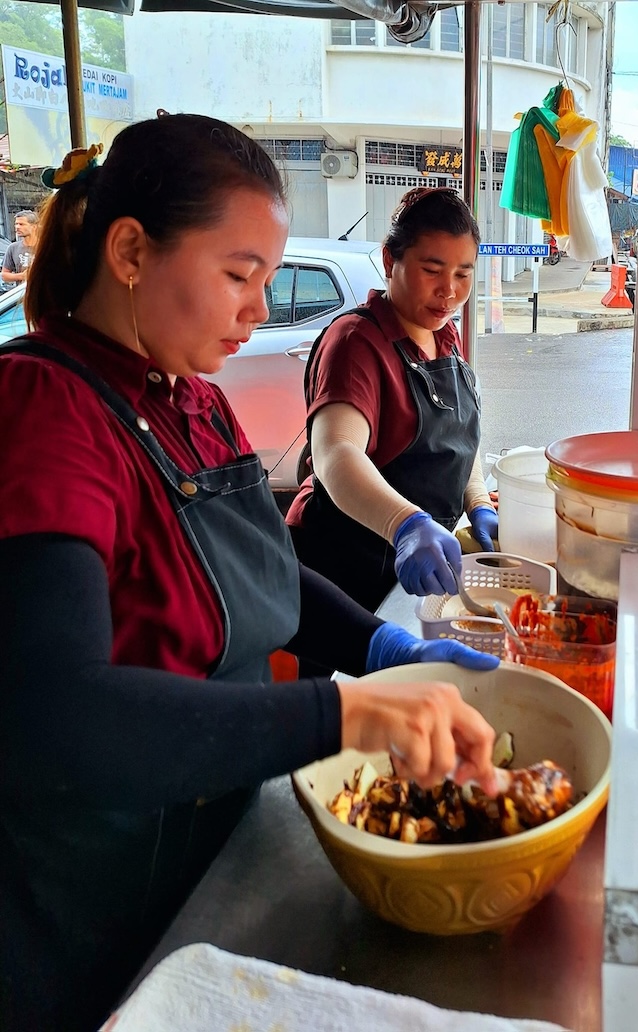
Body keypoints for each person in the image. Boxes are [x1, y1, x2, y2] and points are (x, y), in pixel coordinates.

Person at [0, 115, 502, 1032]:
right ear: (129, 251)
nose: (258, 311)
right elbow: (63, 712)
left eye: (266, 281)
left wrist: (379, 646)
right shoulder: (44, 407)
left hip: (210, 839)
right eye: (238, 276)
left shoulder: (193, 398)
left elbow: (271, 574)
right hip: (94, 889)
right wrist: (344, 711)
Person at [285, 186, 499, 614]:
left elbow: (457, 441)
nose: (449, 291)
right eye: (432, 269)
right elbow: (336, 454)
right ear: (390, 260)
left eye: (463, 273)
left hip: (413, 572)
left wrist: (475, 499)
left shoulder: (445, 338)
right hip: (345, 567)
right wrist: (405, 525)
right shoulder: (356, 341)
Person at [1, 208, 39, 288]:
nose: (17, 227)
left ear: (34, 227)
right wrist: (22, 276)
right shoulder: (13, 248)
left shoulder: (45, 247)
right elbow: (4, 275)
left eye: (21, 224)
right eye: (16, 224)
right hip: (22, 295)